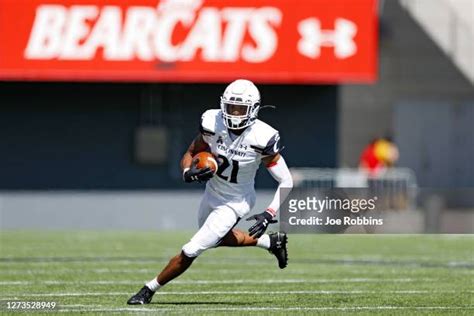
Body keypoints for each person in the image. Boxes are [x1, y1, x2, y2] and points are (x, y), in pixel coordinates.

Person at [127, 79, 293, 305]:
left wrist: (269, 213)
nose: (234, 114)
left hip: (236, 201)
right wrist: (187, 172)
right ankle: (271, 243)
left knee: (192, 248)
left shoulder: (262, 137)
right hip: (212, 192)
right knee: (216, 238)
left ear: (253, 109)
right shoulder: (212, 122)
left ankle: (148, 290)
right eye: (231, 107)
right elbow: (192, 151)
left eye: (240, 108)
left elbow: (286, 180)